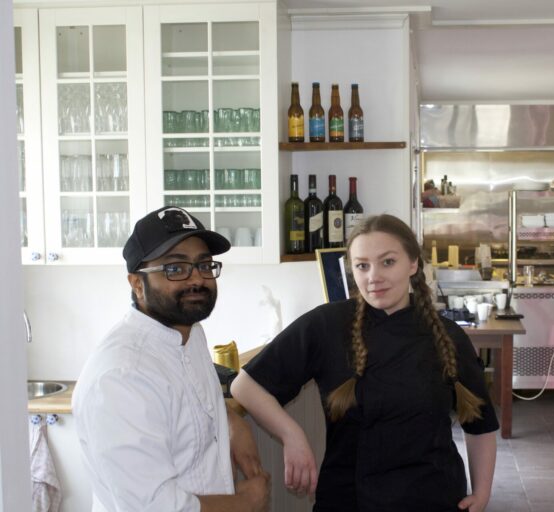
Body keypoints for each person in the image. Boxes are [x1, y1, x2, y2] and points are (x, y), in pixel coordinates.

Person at [231, 214, 497, 512]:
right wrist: (292, 435)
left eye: (387, 262)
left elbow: (480, 425)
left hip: (433, 497)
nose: (373, 277)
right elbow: (245, 386)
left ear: (413, 264)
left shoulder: (448, 336)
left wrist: (482, 492)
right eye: (362, 265)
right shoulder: (326, 325)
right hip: (348, 499)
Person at [72, 206, 270, 512]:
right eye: (175, 269)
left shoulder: (190, 333)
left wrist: (231, 424)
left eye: (204, 265)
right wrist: (247, 501)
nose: (197, 280)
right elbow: (157, 506)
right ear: (136, 283)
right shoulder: (121, 377)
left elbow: (188, 404)